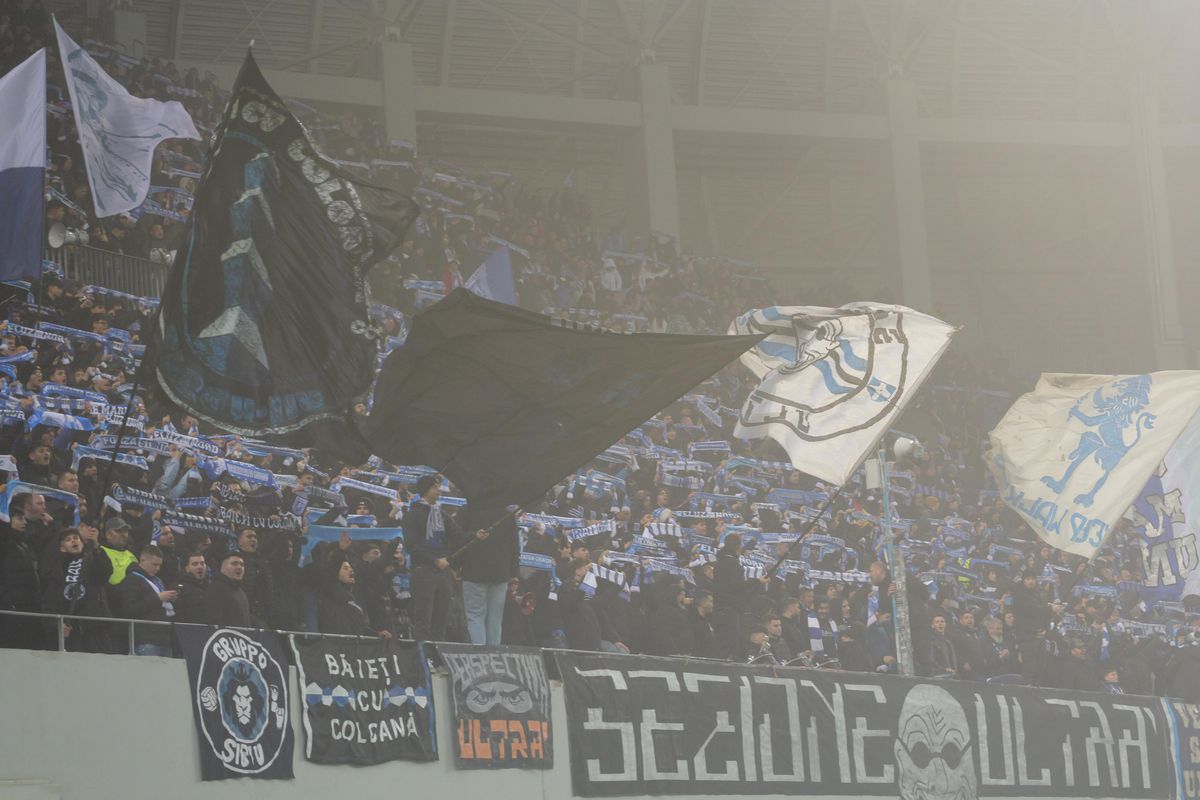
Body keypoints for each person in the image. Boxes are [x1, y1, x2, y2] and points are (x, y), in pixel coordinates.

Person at [402, 474, 464, 641]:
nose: (439, 490)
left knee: (441, 619)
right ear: (426, 490)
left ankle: (438, 659)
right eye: (435, 487)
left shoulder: (442, 514)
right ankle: (424, 659)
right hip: (423, 571)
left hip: (443, 572)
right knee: (423, 618)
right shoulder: (412, 514)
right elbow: (411, 546)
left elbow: (458, 536)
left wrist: (475, 535)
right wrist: (434, 560)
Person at [458, 507, 519, 646]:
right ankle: (493, 656)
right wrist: (514, 573)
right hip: (500, 574)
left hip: (473, 572)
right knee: (495, 620)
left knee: (475, 617)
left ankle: (479, 658)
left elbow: (458, 539)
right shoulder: (507, 514)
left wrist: (455, 565)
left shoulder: (468, 510)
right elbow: (515, 547)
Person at [112, 545, 176, 656]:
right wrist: (158, 598)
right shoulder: (131, 579)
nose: (158, 569)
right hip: (145, 640)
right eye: (154, 564)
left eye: (160, 565)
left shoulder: (158, 580)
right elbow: (130, 609)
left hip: (164, 639)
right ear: (142, 560)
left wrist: (170, 599)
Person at [205, 548, 251, 628]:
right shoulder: (216, 588)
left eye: (242, 564)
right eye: (234, 564)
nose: (239, 567)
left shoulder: (241, 591)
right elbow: (214, 620)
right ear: (223, 570)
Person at [174, 552, 209, 624]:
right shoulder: (180, 589)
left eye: (202, 563)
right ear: (187, 568)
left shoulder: (212, 587)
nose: (200, 567)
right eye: (195, 564)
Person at [926, 612, 958, 678]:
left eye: (942, 621)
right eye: (937, 622)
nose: (940, 623)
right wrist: (943, 670)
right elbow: (930, 660)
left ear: (945, 624)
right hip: (938, 676)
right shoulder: (931, 641)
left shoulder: (948, 642)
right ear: (932, 625)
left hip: (951, 675)